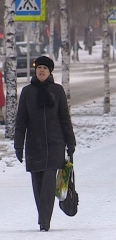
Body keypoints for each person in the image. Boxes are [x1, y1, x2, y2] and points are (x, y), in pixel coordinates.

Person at [14, 56, 76, 232]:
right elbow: (21, 122)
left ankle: (44, 221)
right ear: (36, 70)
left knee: (49, 182)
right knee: (37, 184)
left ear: (49, 72)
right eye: (39, 67)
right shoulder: (27, 92)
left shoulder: (57, 91)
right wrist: (18, 145)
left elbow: (65, 119)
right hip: (34, 145)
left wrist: (70, 143)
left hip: (55, 144)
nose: (41, 70)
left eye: (45, 68)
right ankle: (43, 216)